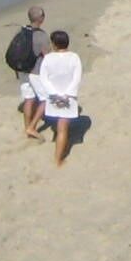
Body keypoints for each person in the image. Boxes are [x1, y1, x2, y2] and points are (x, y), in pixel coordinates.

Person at [32, 30, 82, 168]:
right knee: (63, 128)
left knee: (60, 128)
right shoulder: (74, 57)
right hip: (68, 97)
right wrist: (65, 94)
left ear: (54, 44)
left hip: (54, 97)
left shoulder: (48, 58)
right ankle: (58, 159)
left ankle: (58, 157)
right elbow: (76, 79)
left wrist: (54, 93)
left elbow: (44, 78)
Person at [14, 5, 51, 139]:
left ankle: (27, 126)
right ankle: (32, 127)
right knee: (46, 99)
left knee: (28, 99)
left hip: (22, 70)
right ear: (41, 19)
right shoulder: (41, 36)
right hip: (35, 71)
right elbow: (47, 55)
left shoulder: (22, 32)